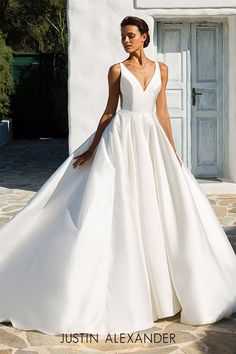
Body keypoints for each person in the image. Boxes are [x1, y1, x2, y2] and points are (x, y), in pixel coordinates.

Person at [0, 15, 236, 336]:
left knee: (159, 207)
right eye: (122, 36)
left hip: (150, 140)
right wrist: (93, 147)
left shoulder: (161, 70)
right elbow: (109, 111)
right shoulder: (116, 70)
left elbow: (162, 111)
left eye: (130, 35)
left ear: (144, 37)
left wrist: (172, 151)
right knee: (120, 204)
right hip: (121, 139)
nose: (125, 40)